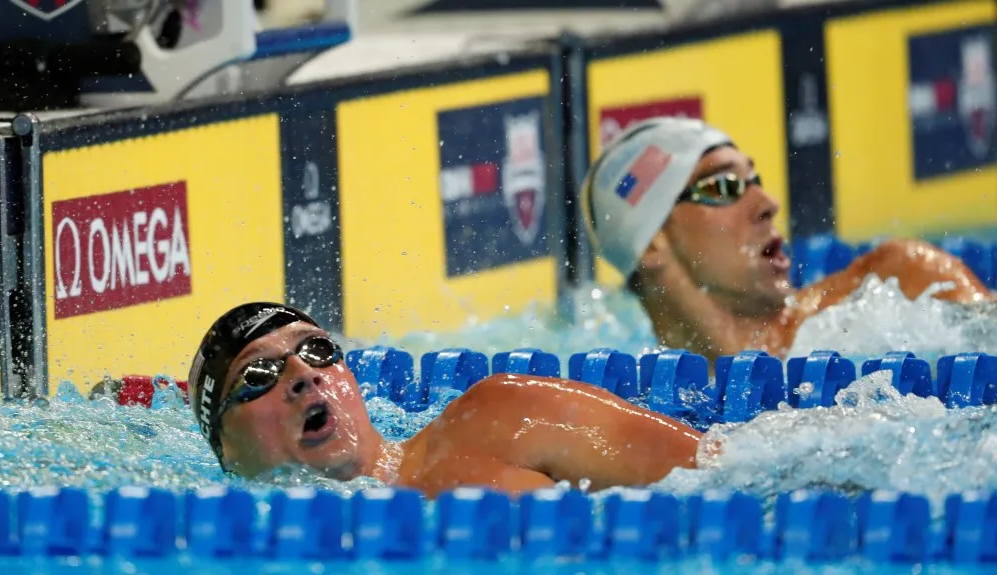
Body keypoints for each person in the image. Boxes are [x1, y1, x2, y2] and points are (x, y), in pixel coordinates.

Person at [580, 117, 992, 365]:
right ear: (652, 243)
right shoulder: (642, 403)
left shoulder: (901, 283)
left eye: (754, 180)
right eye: (723, 187)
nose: (767, 203)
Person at [187, 302, 703, 497]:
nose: (303, 374)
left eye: (318, 350)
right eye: (259, 373)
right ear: (226, 450)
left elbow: (729, 471)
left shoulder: (502, 418)